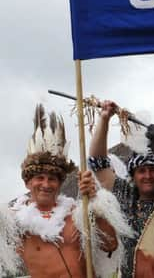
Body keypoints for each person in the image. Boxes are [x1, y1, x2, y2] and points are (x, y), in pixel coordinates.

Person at [0, 105, 131, 278]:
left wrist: (95, 203)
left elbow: (110, 244)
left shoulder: (77, 214)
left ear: (60, 183)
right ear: (27, 183)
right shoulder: (16, 223)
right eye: (40, 178)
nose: (46, 184)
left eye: (52, 179)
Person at [88, 100, 154, 277]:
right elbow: (97, 160)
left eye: (152, 170)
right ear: (133, 174)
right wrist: (104, 120)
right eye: (141, 171)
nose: (147, 175)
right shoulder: (125, 194)